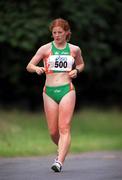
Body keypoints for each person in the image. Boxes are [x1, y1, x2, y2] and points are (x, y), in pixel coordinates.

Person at [26, 18, 85, 172]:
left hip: (67, 90)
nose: (57, 35)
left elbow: (81, 64)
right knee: (53, 132)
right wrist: (36, 69)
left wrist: (76, 71)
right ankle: (62, 148)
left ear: (67, 33)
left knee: (64, 127)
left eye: (60, 32)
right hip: (49, 92)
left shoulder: (74, 49)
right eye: (54, 33)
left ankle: (59, 161)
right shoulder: (45, 49)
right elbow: (29, 65)